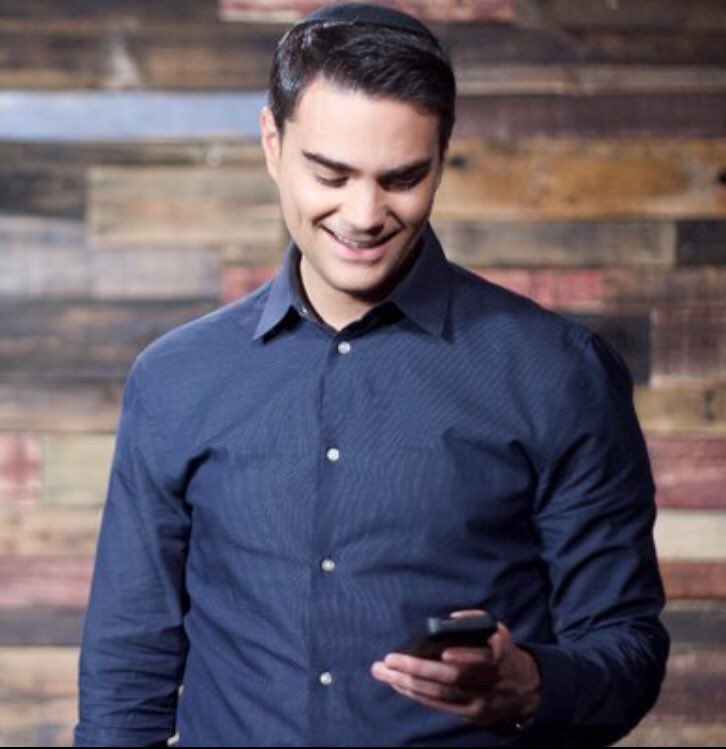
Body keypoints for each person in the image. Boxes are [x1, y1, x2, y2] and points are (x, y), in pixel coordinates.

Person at [73, 3, 669, 746]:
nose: (363, 215)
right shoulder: (174, 379)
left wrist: (533, 683)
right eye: (330, 174)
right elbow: (127, 672)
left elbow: (627, 647)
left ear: (442, 157)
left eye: (402, 178)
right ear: (272, 143)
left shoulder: (560, 373)